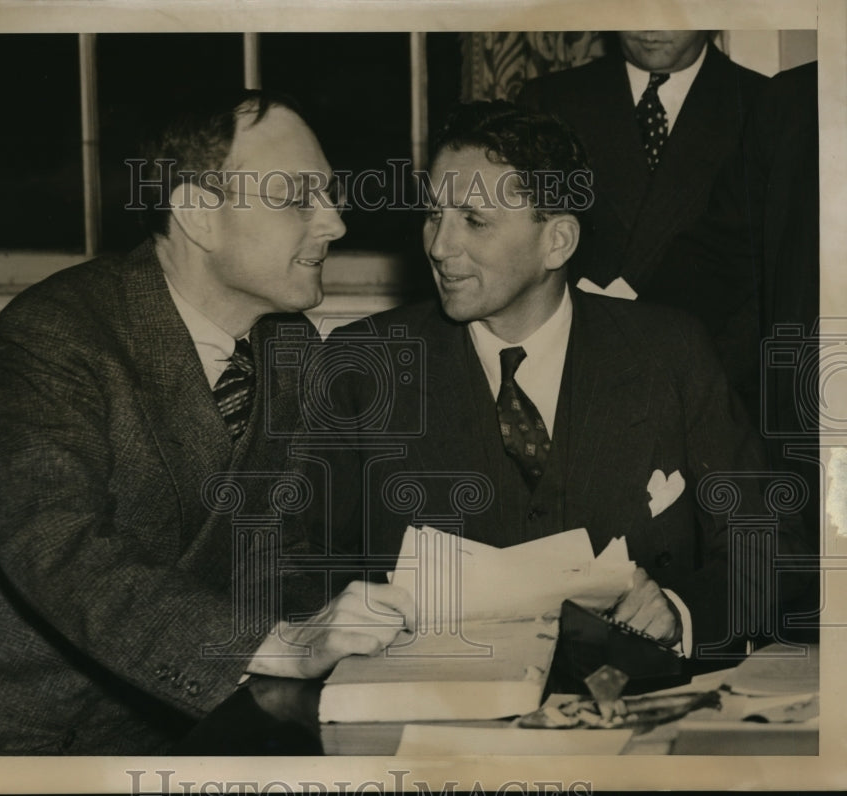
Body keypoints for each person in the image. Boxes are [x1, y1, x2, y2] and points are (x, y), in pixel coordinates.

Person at [0, 90, 413, 755]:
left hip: (150, 728)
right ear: (197, 213)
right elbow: (58, 549)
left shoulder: (293, 351)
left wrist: (386, 620)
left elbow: (279, 552)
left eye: (332, 196)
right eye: (297, 200)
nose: (336, 224)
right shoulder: (54, 334)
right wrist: (285, 645)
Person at [314, 102, 811, 662]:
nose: (439, 245)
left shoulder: (670, 353)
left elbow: (771, 545)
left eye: (473, 220)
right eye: (434, 215)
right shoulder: (363, 365)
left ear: (558, 241)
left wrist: (679, 608)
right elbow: (299, 558)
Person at [517, 31, 765, 316]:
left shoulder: (764, 104)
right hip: (575, 339)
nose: (650, 28)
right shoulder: (547, 99)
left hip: (710, 348)